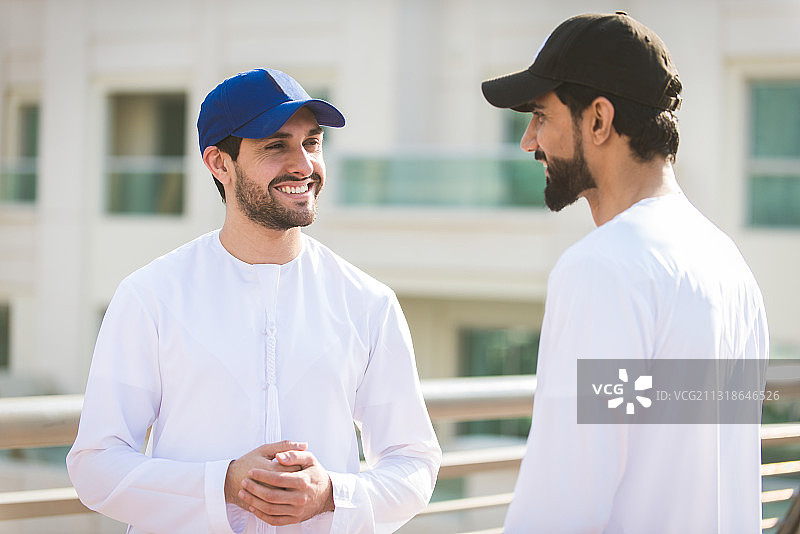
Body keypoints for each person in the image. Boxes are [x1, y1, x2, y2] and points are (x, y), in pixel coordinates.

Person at [67, 68, 441, 534]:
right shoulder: (151, 296)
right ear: (219, 163)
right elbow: (95, 465)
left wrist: (331, 496)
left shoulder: (368, 302)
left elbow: (414, 462)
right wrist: (222, 484)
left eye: (312, 143)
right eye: (275, 145)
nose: (304, 165)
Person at [482, 12, 768, 533]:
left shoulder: (604, 267)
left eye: (541, 116)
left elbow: (564, 499)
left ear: (598, 119)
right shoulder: (727, 263)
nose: (528, 141)